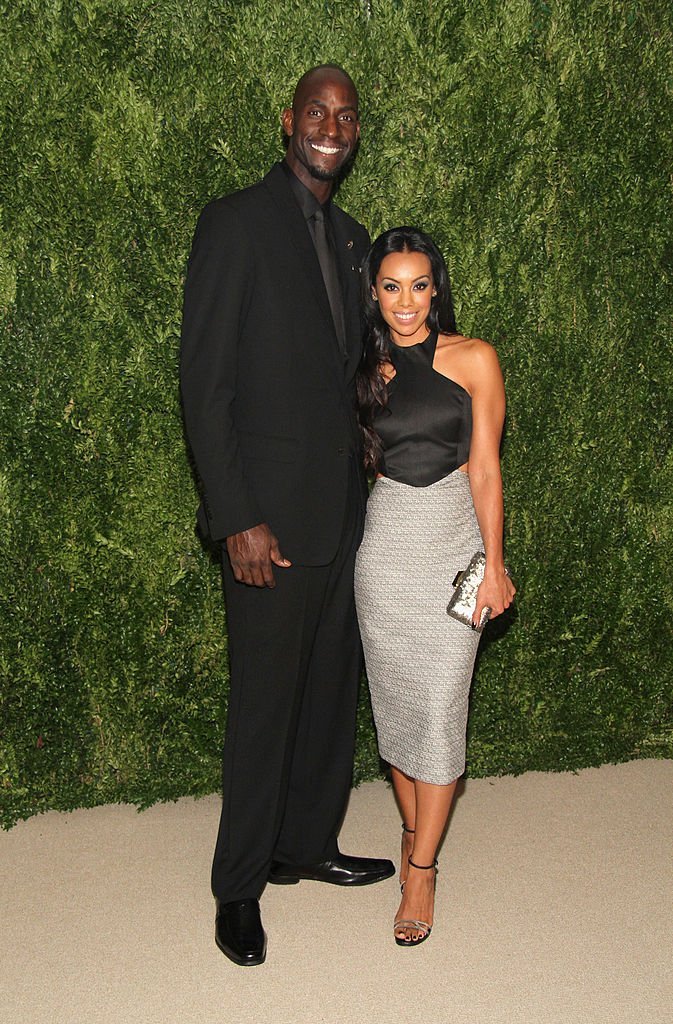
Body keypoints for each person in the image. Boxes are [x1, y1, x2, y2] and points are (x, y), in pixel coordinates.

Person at [180, 66, 394, 968]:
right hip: (265, 521)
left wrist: (369, 414)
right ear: (288, 121)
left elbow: (331, 369)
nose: (330, 127)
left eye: (345, 116)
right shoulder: (234, 223)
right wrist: (236, 515)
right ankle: (238, 887)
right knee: (265, 707)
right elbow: (204, 384)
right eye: (317, 112)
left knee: (328, 695)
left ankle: (304, 844)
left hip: (344, 511)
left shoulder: (352, 239)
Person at [354, 227, 516, 946]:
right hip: (385, 544)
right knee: (397, 711)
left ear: (437, 287)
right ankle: (412, 829)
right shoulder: (363, 367)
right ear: (373, 293)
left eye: (419, 285)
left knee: (442, 706)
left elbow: (485, 469)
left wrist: (497, 562)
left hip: (453, 540)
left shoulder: (474, 358)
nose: (406, 301)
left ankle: (420, 870)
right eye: (391, 286)